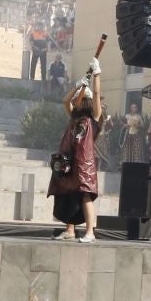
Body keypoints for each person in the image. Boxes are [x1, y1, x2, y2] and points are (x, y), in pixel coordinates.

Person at [48, 57, 104, 242]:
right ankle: (70, 231)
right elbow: (66, 100)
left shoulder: (93, 118)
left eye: (80, 99)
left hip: (84, 163)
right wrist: (77, 86)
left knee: (85, 194)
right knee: (68, 193)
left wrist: (97, 74)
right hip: (70, 159)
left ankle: (90, 232)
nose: (76, 101)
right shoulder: (74, 117)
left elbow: (97, 94)